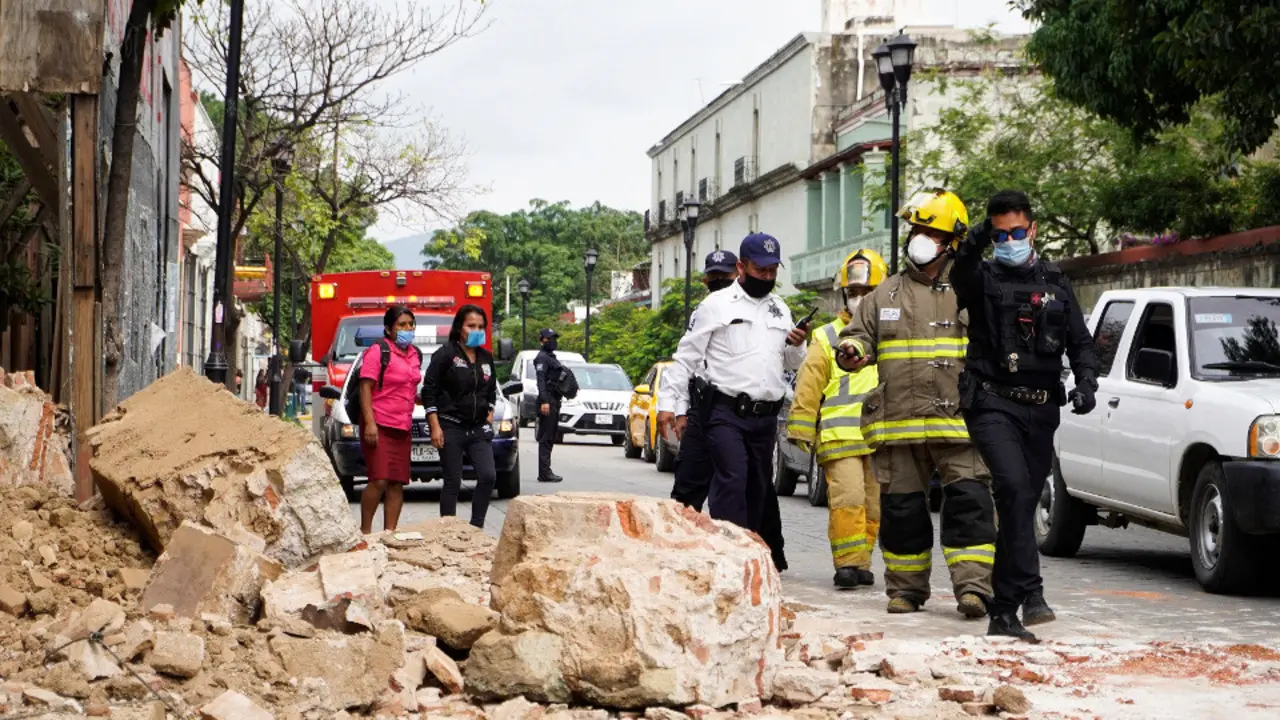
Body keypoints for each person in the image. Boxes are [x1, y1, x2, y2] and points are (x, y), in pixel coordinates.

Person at [835, 189, 996, 619]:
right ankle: (906, 591)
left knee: (969, 506)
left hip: (959, 424)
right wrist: (851, 350)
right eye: (915, 230)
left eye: (929, 232)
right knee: (902, 513)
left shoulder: (975, 290)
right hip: (899, 424)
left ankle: (974, 589)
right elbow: (856, 336)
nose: (918, 239)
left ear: (953, 241)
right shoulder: (883, 296)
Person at [952, 190, 1098, 641]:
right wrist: (975, 239)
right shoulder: (983, 276)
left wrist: (1088, 383)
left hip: (1042, 408)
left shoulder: (1055, 280)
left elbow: (1081, 340)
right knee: (1013, 489)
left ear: (1032, 230)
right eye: (1001, 234)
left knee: (1023, 503)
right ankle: (1008, 607)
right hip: (992, 403)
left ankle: (1021, 598)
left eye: (1017, 232)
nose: (1010, 241)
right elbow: (960, 276)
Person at [663, 233, 807, 533]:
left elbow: (792, 363)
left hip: (765, 417)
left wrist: (797, 345)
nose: (767, 277)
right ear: (741, 267)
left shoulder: (779, 308)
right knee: (732, 478)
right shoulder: (716, 305)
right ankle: (728, 548)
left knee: (757, 488)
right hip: (725, 412)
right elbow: (686, 358)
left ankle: (747, 549)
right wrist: (669, 404)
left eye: (772, 271)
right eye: (760, 270)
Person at [787, 248, 887, 589]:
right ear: (844, 294)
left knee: (873, 506)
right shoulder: (827, 336)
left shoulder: (891, 334)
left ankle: (862, 562)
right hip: (839, 435)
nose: (860, 299)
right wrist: (800, 425)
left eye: (867, 292)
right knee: (849, 499)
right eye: (855, 293)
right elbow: (810, 382)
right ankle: (846, 564)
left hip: (879, 438)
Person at [422, 304, 499, 528]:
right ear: (459, 327)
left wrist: (489, 416)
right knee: (453, 481)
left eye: (480, 326)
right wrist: (435, 426)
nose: (476, 330)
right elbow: (429, 391)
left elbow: (491, 390)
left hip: (478, 428)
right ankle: (448, 531)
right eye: (471, 326)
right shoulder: (446, 354)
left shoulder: (486, 357)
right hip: (450, 426)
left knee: (488, 477)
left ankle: (476, 528)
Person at [357, 306, 422, 534]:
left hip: (402, 425)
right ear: (388, 328)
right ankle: (365, 533)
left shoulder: (415, 354)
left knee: (397, 482)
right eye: (401, 325)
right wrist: (370, 423)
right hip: (379, 423)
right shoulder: (378, 351)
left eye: (410, 325)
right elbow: (365, 387)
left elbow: (410, 387)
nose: (407, 329)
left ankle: (389, 533)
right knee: (379, 479)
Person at [534, 328, 566, 483]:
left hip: (554, 400)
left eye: (554, 338)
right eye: (549, 338)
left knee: (551, 436)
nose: (552, 341)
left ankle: (546, 470)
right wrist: (545, 401)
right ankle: (544, 472)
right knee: (546, 437)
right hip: (548, 402)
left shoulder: (550, 357)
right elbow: (541, 381)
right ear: (541, 340)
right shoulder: (541, 358)